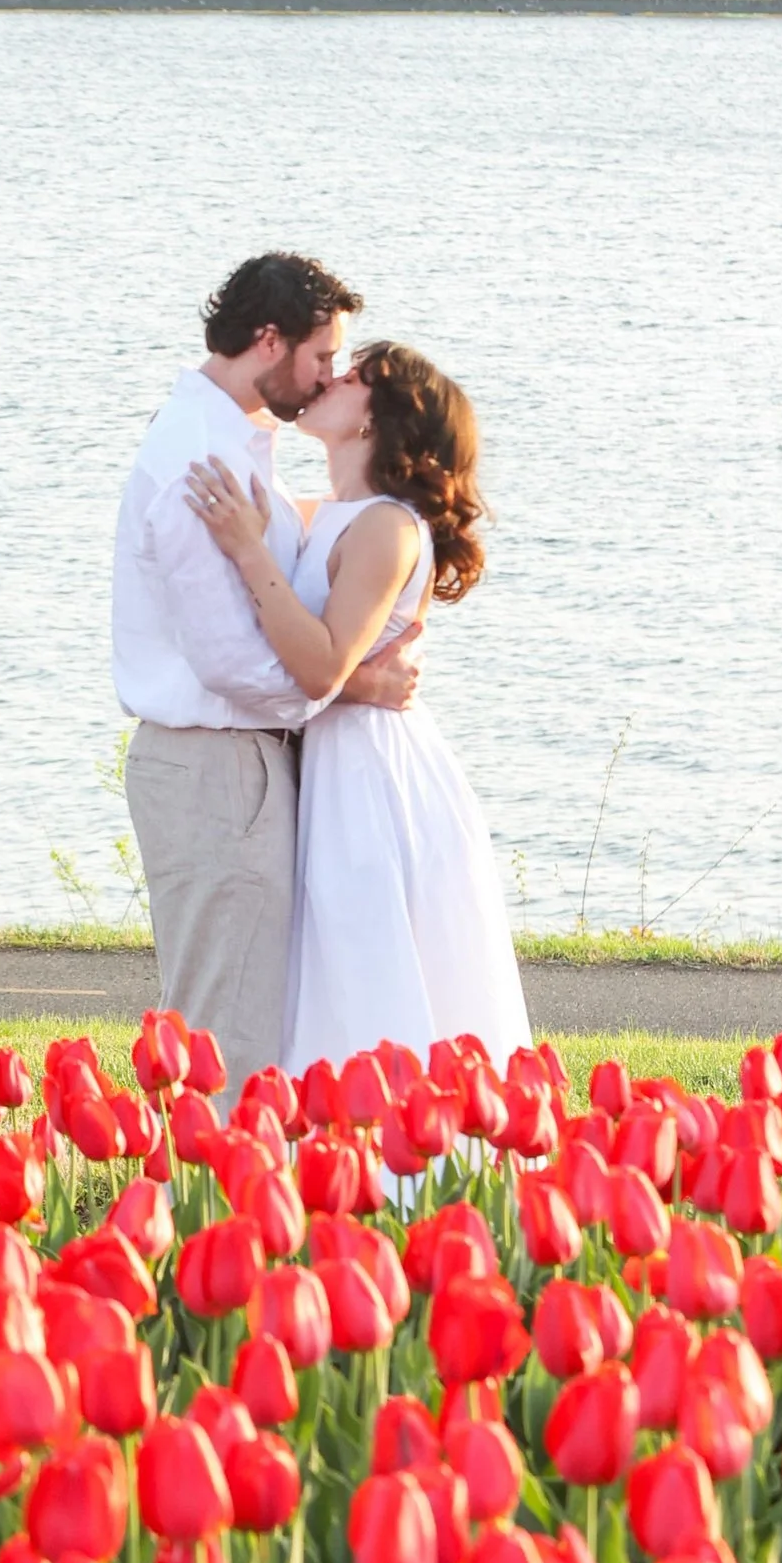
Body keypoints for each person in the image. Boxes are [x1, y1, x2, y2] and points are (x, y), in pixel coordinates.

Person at [112, 254, 419, 1097]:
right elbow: (229, 662)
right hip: (218, 765)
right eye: (323, 356)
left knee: (242, 1019)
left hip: (232, 765)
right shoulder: (201, 459)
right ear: (271, 340)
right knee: (228, 1032)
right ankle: (209, 1184)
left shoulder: (232, 440)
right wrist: (351, 686)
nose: (327, 375)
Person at [183, 335, 529, 1071]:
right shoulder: (334, 513)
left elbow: (320, 666)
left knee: (364, 968)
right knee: (332, 971)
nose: (332, 379)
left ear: (379, 417)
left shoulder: (386, 527)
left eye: (355, 376)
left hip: (372, 776)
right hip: (336, 760)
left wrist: (248, 550)